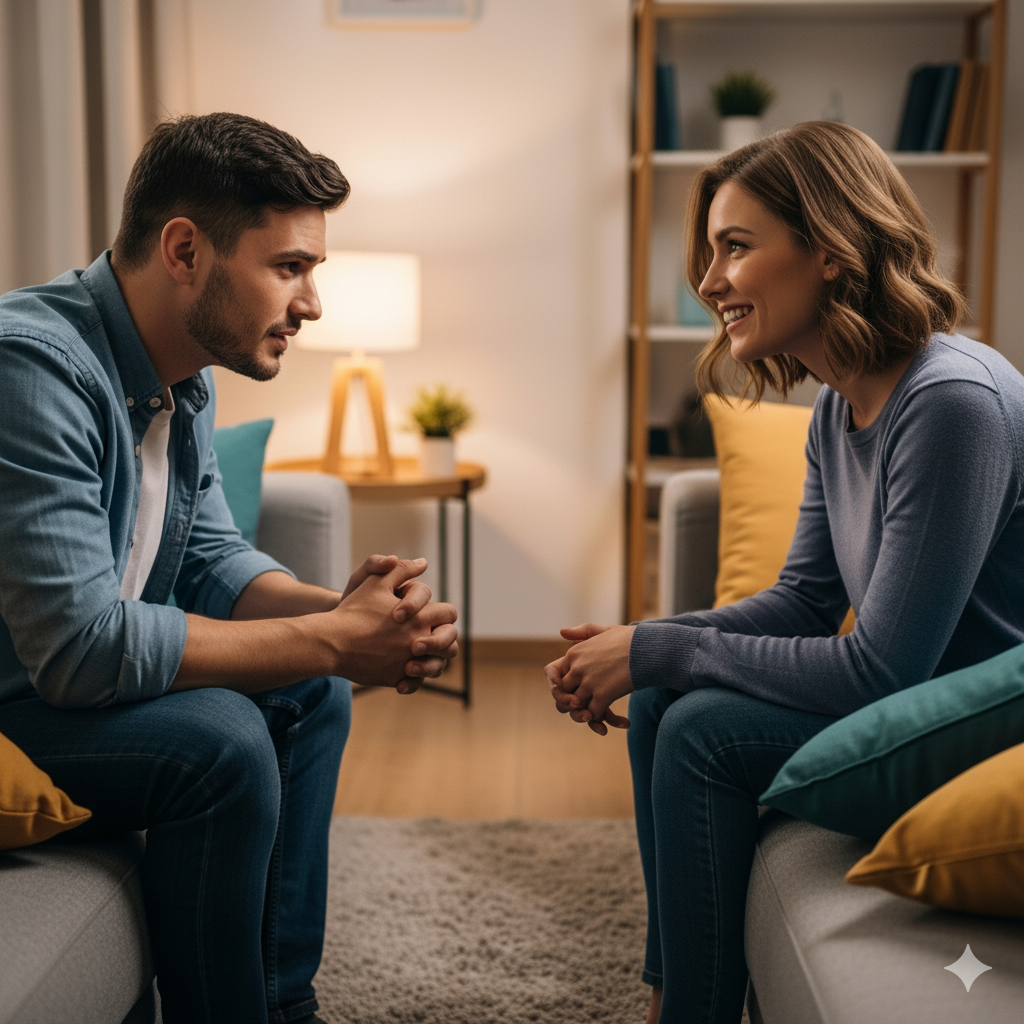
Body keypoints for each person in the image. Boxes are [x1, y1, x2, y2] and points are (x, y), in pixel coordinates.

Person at [546, 121, 1024, 1024]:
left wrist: (659, 649)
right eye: (710, 251)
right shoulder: (839, 407)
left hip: (985, 733)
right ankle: (672, 993)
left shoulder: (952, 401)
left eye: (736, 247)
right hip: (924, 703)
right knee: (662, 698)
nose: (709, 280)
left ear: (834, 250)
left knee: (702, 731)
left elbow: (884, 671)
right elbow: (805, 602)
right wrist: (647, 648)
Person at [0, 112, 458, 1024]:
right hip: (18, 701)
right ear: (184, 251)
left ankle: (284, 1006)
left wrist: (355, 617)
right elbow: (81, 652)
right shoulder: (32, 368)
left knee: (312, 692)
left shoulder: (186, 376)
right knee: (222, 738)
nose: (313, 302)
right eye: (290, 267)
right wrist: (330, 638)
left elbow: (210, 559)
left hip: (51, 690)